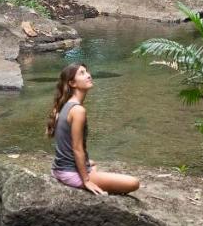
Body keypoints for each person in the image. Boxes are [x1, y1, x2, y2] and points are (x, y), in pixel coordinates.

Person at [46, 63, 139, 196]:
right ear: (72, 83)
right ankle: (82, 177)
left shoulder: (66, 105)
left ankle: (82, 173)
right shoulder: (78, 110)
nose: (89, 75)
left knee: (92, 163)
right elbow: (77, 148)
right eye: (82, 73)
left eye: (87, 72)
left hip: (60, 168)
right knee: (133, 183)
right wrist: (86, 180)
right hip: (69, 172)